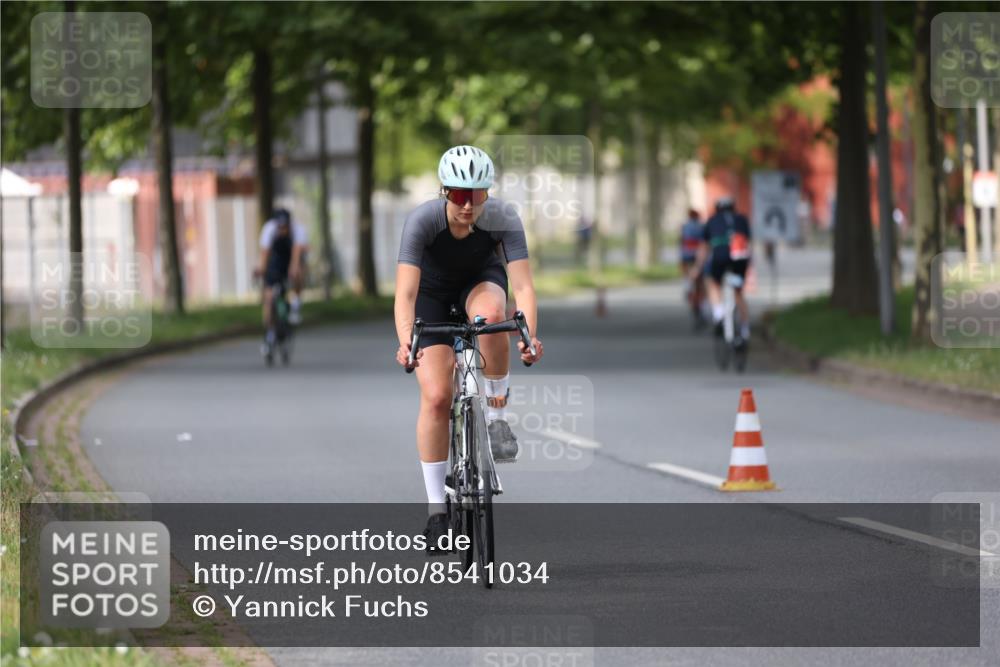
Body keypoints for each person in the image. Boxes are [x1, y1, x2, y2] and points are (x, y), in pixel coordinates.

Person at [394, 145, 544, 551]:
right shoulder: (422, 221)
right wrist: (406, 341)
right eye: (459, 195)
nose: (467, 205)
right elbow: (405, 294)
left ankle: (497, 417)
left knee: (492, 317)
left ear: (487, 195)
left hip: (480, 281)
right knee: (438, 396)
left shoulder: (503, 218)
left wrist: (528, 335)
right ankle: (436, 513)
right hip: (431, 293)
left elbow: (525, 288)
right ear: (444, 192)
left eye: (477, 195)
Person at [689, 196, 752, 343]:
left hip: (720, 257)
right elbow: (748, 242)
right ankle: (745, 329)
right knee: (738, 292)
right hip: (739, 259)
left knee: (712, 281)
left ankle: (719, 313)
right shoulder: (741, 219)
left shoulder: (712, 221)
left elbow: (704, 247)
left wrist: (697, 268)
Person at [258, 208, 308, 326]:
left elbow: (296, 253)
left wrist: (294, 268)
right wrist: (261, 270)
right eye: (280, 227)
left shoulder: (298, 230)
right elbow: (265, 253)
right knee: (268, 295)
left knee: (298, 273)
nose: (283, 230)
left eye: (285, 226)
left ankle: (295, 305)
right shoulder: (269, 229)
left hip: (293, 256)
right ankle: (268, 329)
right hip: (277, 258)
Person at [679, 209, 707, 330]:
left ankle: (691, 297)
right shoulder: (702, 227)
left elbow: (681, 243)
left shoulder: (684, 227)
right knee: (701, 285)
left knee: (690, 282)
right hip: (699, 259)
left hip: (687, 258)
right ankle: (700, 303)